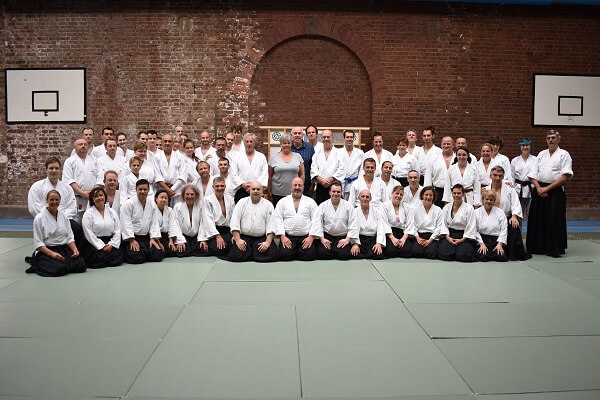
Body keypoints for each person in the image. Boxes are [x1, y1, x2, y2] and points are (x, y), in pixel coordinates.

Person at [527, 130, 573, 258]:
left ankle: (554, 248)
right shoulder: (541, 154)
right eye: (548, 138)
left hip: (555, 190)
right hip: (539, 188)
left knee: (554, 219)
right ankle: (537, 247)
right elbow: (532, 174)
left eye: (553, 138)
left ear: (558, 139)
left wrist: (547, 189)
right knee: (537, 218)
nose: (551, 140)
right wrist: (539, 188)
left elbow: (565, 176)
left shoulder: (564, 154)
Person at [27, 190, 86, 276]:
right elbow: (38, 243)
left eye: (57, 200)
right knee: (58, 269)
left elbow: (69, 237)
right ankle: (40, 262)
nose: (54, 202)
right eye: (51, 199)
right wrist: (52, 254)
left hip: (63, 249)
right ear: (46, 200)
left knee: (81, 265)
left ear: (60, 201)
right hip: (47, 250)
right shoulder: (39, 218)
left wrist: (74, 249)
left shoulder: (64, 216)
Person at [486, 166, 530, 261]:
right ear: (490, 176)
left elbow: (515, 204)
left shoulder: (509, 189)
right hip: (489, 217)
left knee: (513, 225)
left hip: (506, 217)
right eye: (495, 175)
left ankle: (512, 253)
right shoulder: (485, 189)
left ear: (503, 177)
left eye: (500, 176)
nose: (497, 178)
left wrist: (514, 216)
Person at [228, 182, 278, 262]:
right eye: (253, 189)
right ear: (249, 190)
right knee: (235, 255)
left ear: (262, 191)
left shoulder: (268, 205)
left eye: (258, 189)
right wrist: (238, 240)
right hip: (244, 238)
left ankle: (250, 253)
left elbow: (271, 225)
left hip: (261, 238)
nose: (255, 191)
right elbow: (235, 222)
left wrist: (268, 242)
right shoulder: (242, 202)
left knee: (272, 254)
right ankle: (253, 253)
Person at [274, 177, 320, 261]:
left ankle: (297, 251)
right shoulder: (282, 202)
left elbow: (316, 220)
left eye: (300, 185)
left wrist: (311, 237)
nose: (297, 187)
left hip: (305, 237)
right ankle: (296, 250)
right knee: (284, 255)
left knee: (309, 256)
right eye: (295, 185)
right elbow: (278, 219)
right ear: (291, 187)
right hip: (288, 237)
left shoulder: (310, 202)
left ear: (303, 187)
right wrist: (282, 236)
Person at [120, 179, 165, 264]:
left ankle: (145, 251)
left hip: (146, 237)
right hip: (133, 238)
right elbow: (126, 223)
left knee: (158, 255)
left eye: (145, 189)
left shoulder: (151, 204)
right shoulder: (128, 204)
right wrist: (131, 240)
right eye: (140, 189)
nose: (143, 192)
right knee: (136, 258)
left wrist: (153, 238)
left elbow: (154, 223)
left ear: (148, 190)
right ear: (136, 190)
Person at [313, 182, 359, 260]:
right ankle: (334, 250)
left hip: (342, 237)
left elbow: (353, 224)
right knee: (322, 254)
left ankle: (335, 250)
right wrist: (322, 239)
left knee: (344, 255)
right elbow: (317, 223)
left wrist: (347, 240)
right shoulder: (322, 206)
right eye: (334, 191)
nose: (336, 194)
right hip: (327, 236)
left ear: (341, 193)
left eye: (338, 192)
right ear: (329, 192)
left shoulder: (348, 206)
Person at [81, 187, 123, 268]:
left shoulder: (112, 212)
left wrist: (112, 244)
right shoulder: (88, 214)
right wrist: (101, 246)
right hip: (94, 243)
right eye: (96, 196)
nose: (99, 198)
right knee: (98, 259)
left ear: (105, 197)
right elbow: (88, 233)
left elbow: (117, 230)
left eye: (101, 195)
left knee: (116, 258)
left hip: (110, 241)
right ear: (92, 199)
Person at [63, 137, 101, 222]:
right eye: (80, 144)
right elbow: (68, 179)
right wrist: (81, 192)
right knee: (77, 221)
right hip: (77, 198)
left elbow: (100, 176)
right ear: (75, 147)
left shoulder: (95, 160)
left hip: (93, 197)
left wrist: (93, 191)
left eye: (85, 144)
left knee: (93, 221)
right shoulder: (70, 161)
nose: (83, 146)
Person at [438, 184, 478, 262]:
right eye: (454, 193)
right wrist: (448, 237)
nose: (456, 195)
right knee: (445, 254)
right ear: (452, 194)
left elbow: (471, 226)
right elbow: (443, 224)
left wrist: (462, 239)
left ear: (463, 194)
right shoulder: (446, 207)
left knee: (463, 255)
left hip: (464, 235)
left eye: (459, 193)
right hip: (450, 234)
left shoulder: (469, 208)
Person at [168, 185, 209, 257]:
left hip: (197, 235)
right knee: (181, 251)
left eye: (192, 194)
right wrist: (180, 240)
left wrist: (202, 239)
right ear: (183, 195)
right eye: (187, 194)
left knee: (203, 249)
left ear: (196, 195)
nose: (189, 196)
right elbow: (175, 224)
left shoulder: (201, 205)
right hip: (184, 235)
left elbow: (203, 223)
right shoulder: (178, 207)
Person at [268, 133, 304, 206]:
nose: (286, 145)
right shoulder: (273, 157)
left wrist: (301, 188)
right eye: (284, 143)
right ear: (281, 144)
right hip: (277, 193)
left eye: (288, 143)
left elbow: (302, 174)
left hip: (294, 192)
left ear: (291, 144)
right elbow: (270, 176)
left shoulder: (298, 156)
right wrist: (269, 190)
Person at [203, 177, 235, 258]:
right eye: (217, 186)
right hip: (216, 231)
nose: (220, 188)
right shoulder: (207, 200)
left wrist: (235, 234)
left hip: (228, 231)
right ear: (213, 187)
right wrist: (217, 236)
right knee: (219, 249)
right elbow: (208, 220)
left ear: (225, 186)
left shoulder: (230, 199)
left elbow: (234, 218)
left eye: (222, 186)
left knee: (237, 247)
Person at [231, 133, 268, 203]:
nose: (249, 144)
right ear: (244, 143)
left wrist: (254, 186)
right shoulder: (237, 157)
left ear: (254, 143)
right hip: (242, 190)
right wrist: (242, 184)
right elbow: (233, 173)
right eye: (247, 141)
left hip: (257, 190)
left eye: (251, 141)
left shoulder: (261, 157)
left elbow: (264, 174)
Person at [311, 129, 344, 204]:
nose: (326, 139)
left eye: (328, 137)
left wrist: (330, 179)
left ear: (332, 138)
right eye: (324, 137)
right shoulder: (317, 153)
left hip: (334, 186)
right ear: (321, 138)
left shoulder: (339, 153)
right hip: (320, 186)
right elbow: (313, 168)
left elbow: (341, 169)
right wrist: (321, 180)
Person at [381, 185, 415, 258]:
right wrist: (392, 238)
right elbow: (384, 223)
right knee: (390, 252)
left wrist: (403, 239)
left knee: (406, 252)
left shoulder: (407, 207)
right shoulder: (384, 206)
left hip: (402, 233)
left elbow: (410, 224)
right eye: (397, 193)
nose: (399, 196)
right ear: (392, 193)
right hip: (389, 233)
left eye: (401, 194)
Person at [352, 189, 387, 259]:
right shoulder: (354, 212)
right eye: (363, 196)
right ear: (359, 198)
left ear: (370, 199)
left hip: (372, 239)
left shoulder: (376, 212)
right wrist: (355, 243)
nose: (365, 199)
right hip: (359, 239)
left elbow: (381, 228)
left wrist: (379, 243)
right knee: (355, 254)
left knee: (377, 254)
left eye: (367, 197)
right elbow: (352, 228)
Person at [410, 186, 443, 259]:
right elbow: (413, 225)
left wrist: (430, 240)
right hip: (420, 235)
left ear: (433, 197)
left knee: (431, 254)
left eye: (431, 195)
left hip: (432, 237)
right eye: (426, 195)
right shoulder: (415, 209)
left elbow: (439, 227)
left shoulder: (438, 210)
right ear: (422, 195)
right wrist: (418, 238)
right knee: (416, 253)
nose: (428, 197)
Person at [475, 190, 508, 262]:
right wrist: (481, 244)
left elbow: (504, 229)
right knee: (483, 257)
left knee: (502, 257)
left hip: (496, 240)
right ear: (483, 200)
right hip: (482, 239)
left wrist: (500, 244)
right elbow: (475, 230)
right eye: (486, 199)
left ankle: (492, 253)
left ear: (494, 201)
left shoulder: (500, 212)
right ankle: (489, 253)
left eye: (491, 200)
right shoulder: (476, 212)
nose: (489, 201)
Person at [154, 133, 186, 202]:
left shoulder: (180, 157)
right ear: (162, 143)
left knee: (177, 211)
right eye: (165, 141)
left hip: (176, 191)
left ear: (173, 143)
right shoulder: (157, 157)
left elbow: (183, 175)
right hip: (161, 190)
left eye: (169, 141)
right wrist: (167, 190)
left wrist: (172, 189)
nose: (167, 143)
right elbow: (157, 175)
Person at [424, 135, 454, 208]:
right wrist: (428, 192)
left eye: (448, 144)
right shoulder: (434, 158)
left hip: (453, 192)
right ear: (441, 145)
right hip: (438, 191)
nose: (446, 146)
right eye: (444, 144)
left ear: (453, 145)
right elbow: (428, 176)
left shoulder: (457, 158)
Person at [510, 138, 537, 220]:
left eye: (527, 145)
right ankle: (518, 232)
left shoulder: (536, 159)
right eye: (523, 145)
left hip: (531, 189)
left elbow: (537, 174)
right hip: (518, 189)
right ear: (520, 147)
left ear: (530, 147)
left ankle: (532, 232)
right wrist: (512, 189)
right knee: (517, 214)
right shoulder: (515, 160)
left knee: (532, 214)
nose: (525, 147)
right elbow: (512, 176)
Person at [339, 129, 364, 200]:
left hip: (355, 183)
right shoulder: (338, 152)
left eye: (351, 137)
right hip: (341, 183)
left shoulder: (360, 153)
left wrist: (360, 183)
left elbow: (362, 170)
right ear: (344, 138)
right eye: (347, 137)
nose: (349, 139)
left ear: (354, 139)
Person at [290, 126, 315, 196]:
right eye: (295, 133)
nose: (297, 135)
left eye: (299, 133)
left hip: (307, 186)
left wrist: (312, 185)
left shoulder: (310, 148)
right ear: (292, 135)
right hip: (290, 185)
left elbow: (313, 167)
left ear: (303, 135)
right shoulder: (287, 148)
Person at [154, 189, 174, 257]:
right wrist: (158, 242)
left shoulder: (170, 210)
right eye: (161, 197)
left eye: (166, 198)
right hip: (156, 237)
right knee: (158, 254)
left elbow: (172, 226)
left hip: (166, 236)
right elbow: (154, 227)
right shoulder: (153, 210)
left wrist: (171, 241)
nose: (164, 200)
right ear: (156, 198)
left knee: (172, 251)